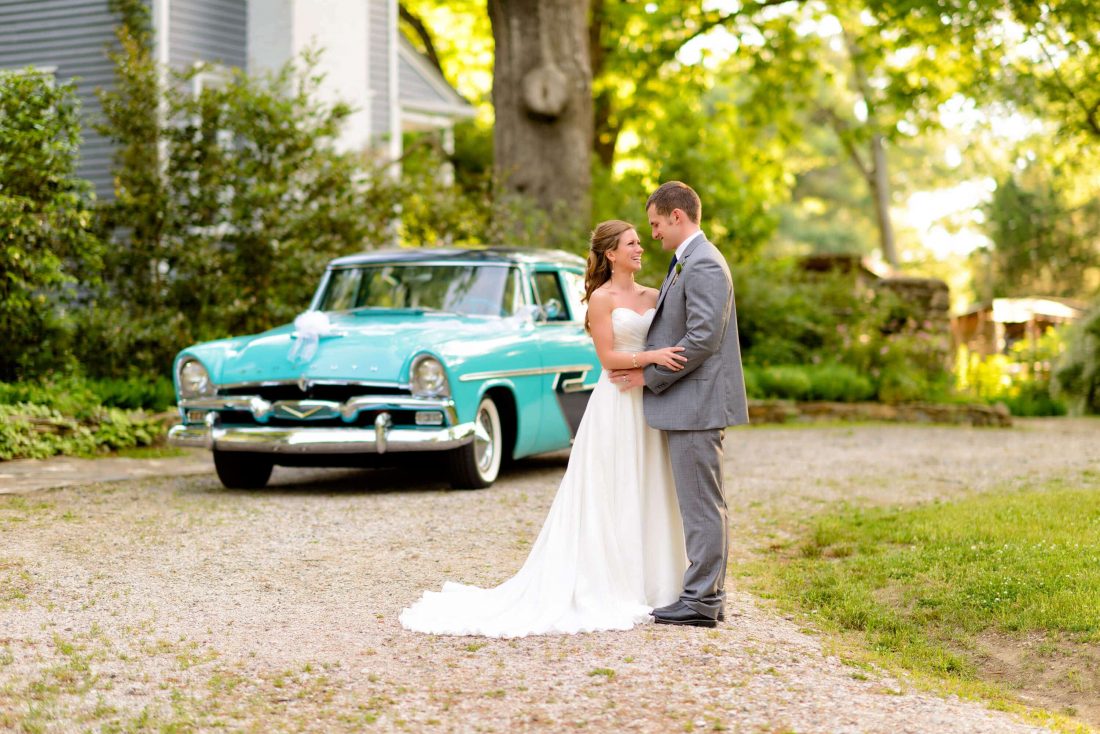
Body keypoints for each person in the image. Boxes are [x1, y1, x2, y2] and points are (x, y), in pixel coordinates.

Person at [399, 220, 689, 638]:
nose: (641, 248)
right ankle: (612, 580)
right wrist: (654, 357)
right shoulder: (600, 300)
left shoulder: (654, 294)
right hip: (616, 402)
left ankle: (657, 581)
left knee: (649, 482)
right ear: (611, 254)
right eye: (632, 243)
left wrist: (656, 364)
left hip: (650, 400)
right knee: (612, 486)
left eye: (641, 242)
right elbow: (608, 358)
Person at [611, 181, 749, 628]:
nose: (652, 234)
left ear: (677, 216)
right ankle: (708, 595)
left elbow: (703, 338)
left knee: (702, 504)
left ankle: (702, 600)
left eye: (654, 223)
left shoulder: (704, 263)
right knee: (700, 502)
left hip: (697, 405)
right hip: (691, 403)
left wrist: (650, 377)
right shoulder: (686, 261)